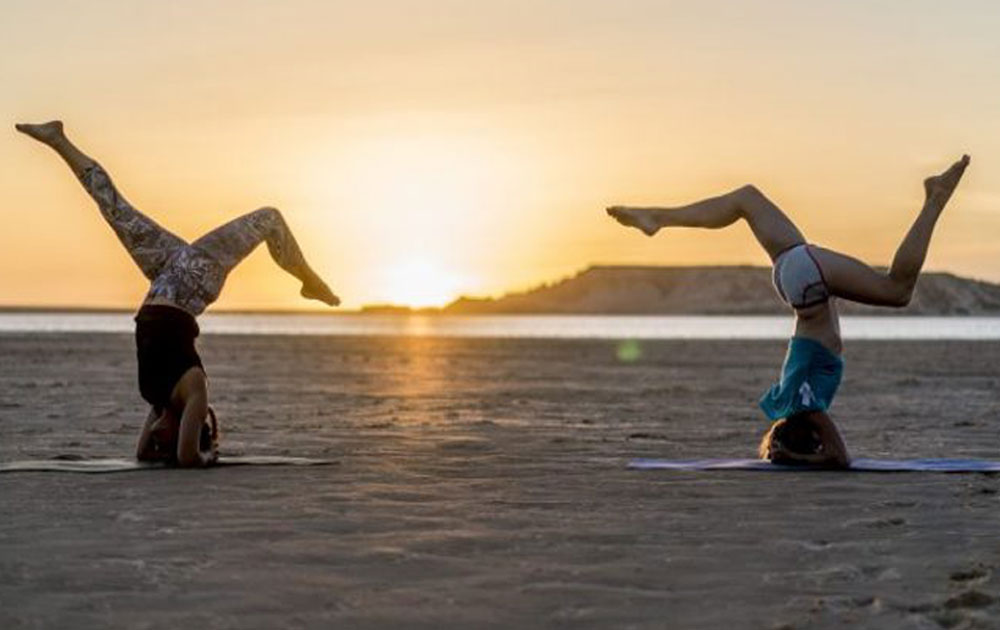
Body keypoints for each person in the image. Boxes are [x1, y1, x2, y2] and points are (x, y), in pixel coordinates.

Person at [607, 155, 970, 468]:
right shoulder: (789, 400)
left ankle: (934, 200)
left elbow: (839, 459)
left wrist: (798, 459)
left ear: (811, 434)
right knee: (745, 199)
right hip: (795, 276)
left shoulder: (805, 403)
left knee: (897, 290)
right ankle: (658, 217)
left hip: (807, 280)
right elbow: (827, 453)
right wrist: (783, 451)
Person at [17, 121, 340, 467]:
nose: (154, 437)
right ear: (190, 427)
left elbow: (141, 455)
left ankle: (58, 140)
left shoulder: (158, 400)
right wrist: (206, 453)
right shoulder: (195, 394)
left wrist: (157, 449)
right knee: (269, 218)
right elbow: (188, 459)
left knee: (114, 208)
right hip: (192, 283)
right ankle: (309, 281)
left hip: (165, 278)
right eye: (163, 440)